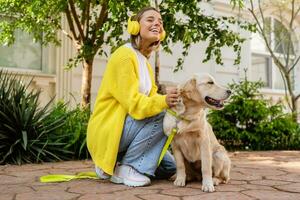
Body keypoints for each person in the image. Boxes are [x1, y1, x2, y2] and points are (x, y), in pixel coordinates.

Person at [87, 6, 178, 187]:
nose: (157, 24)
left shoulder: (144, 62)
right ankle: (126, 168)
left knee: (170, 168)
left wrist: (170, 100)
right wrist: (164, 101)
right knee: (162, 115)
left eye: (160, 22)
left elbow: (151, 99)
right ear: (135, 27)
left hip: (127, 130)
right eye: (150, 20)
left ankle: (115, 163)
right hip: (109, 131)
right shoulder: (124, 56)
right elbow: (135, 104)